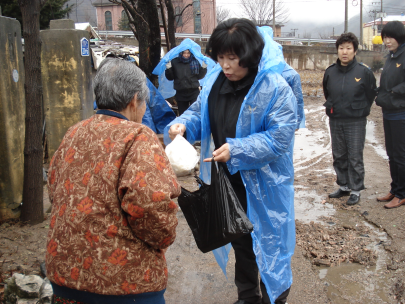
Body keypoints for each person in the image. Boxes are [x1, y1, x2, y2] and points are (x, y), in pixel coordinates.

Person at [165, 19, 297, 304]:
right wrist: (184, 125)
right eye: (221, 58)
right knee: (240, 239)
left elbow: (279, 138)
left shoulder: (274, 88)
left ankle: (275, 298)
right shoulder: (215, 81)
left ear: (249, 56)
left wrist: (237, 149)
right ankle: (248, 296)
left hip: (265, 185)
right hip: (228, 179)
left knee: (270, 243)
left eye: (232, 58)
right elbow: (200, 112)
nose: (225, 65)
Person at [46, 58, 181, 304]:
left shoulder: (73, 132)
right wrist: (165, 238)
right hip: (123, 286)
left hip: (65, 277)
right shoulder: (138, 136)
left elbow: (55, 190)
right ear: (134, 100)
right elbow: (152, 207)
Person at [322, 32, 377, 206]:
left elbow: (371, 93)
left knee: (354, 155)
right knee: (339, 154)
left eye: (348, 48)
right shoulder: (330, 72)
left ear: (354, 51)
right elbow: (327, 91)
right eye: (341, 48)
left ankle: (356, 189)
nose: (344, 52)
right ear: (337, 50)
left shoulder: (363, 71)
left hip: (356, 119)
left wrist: (360, 109)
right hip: (336, 118)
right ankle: (344, 186)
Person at [375, 21, 405, 209]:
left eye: (390, 37)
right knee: (392, 154)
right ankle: (395, 189)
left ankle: (402, 194)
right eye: (384, 37)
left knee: (401, 155)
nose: (386, 41)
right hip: (389, 111)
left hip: (401, 112)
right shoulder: (391, 57)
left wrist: (394, 92)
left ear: (399, 37)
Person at [165, 49, 207, 115]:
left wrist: (203, 68)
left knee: (195, 113)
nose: (186, 55)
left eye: (188, 53)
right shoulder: (175, 62)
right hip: (180, 93)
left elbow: (199, 76)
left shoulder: (195, 61)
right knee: (183, 114)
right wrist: (168, 69)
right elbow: (170, 77)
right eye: (184, 53)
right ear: (181, 53)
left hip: (194, 92)